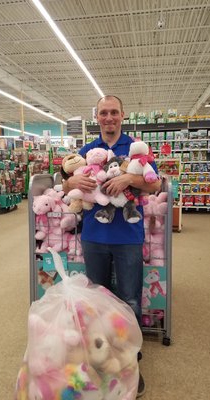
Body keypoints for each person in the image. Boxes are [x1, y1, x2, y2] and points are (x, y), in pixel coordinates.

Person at [62, 95, 161, 398]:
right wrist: (72, 182)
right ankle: (101, 359)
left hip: (128, 238)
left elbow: (154, 183)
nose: (108, 117)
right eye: (103, 113)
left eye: (113, 112)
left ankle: (129, 361)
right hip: (93, 236)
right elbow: (66, 183)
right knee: (95, 303)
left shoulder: (135, 147)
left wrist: (129, 177)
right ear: (97, 117)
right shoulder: (86, 150)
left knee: (130, 299)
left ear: (122, 115)